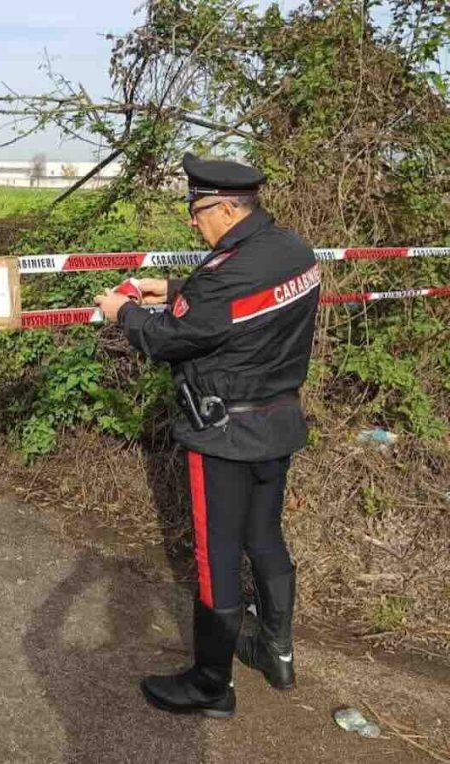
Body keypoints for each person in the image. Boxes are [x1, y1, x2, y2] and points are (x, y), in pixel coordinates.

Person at [94, 153, 319, 717]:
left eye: (197, 212)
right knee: (264, 537)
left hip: (223, 432)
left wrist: (123, 311)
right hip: (277, 423)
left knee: (217, 556)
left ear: (221, 207)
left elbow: (173, 337)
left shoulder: (229, 270)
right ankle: (277, 653)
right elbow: (234, 309)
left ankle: (209, 686)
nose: (194, 222)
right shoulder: (291, 250)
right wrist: (170, 286)